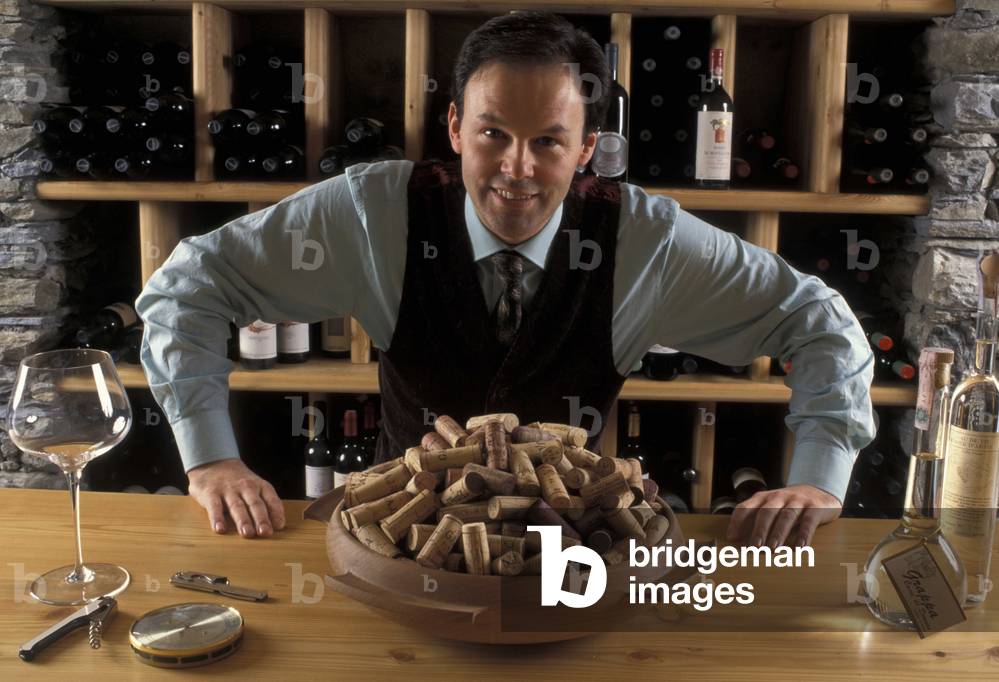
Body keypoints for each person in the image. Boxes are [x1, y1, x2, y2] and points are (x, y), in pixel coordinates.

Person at [136, 11, 875, 547]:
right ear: (455, 128)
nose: (517, 168)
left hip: (573, 557)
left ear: (587, 148)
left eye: (548, 141)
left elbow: (818, 322)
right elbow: (189, 287)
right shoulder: (373, 212)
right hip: (403, 549)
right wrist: (210, 459)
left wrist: (817, 477)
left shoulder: (646, 240)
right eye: (493, 134)